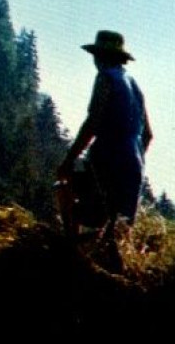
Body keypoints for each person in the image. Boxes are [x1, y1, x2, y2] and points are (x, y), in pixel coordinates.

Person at [58, 30, 154, 235]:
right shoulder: (135, 86)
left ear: (100, 57)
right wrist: (132, 158)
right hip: (134, 165)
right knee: (117, 231)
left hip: (108, 159)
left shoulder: (105, 78)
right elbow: (148, 135)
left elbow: (93, 122)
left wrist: (68, 160)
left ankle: (70, 247)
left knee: (64, 183)